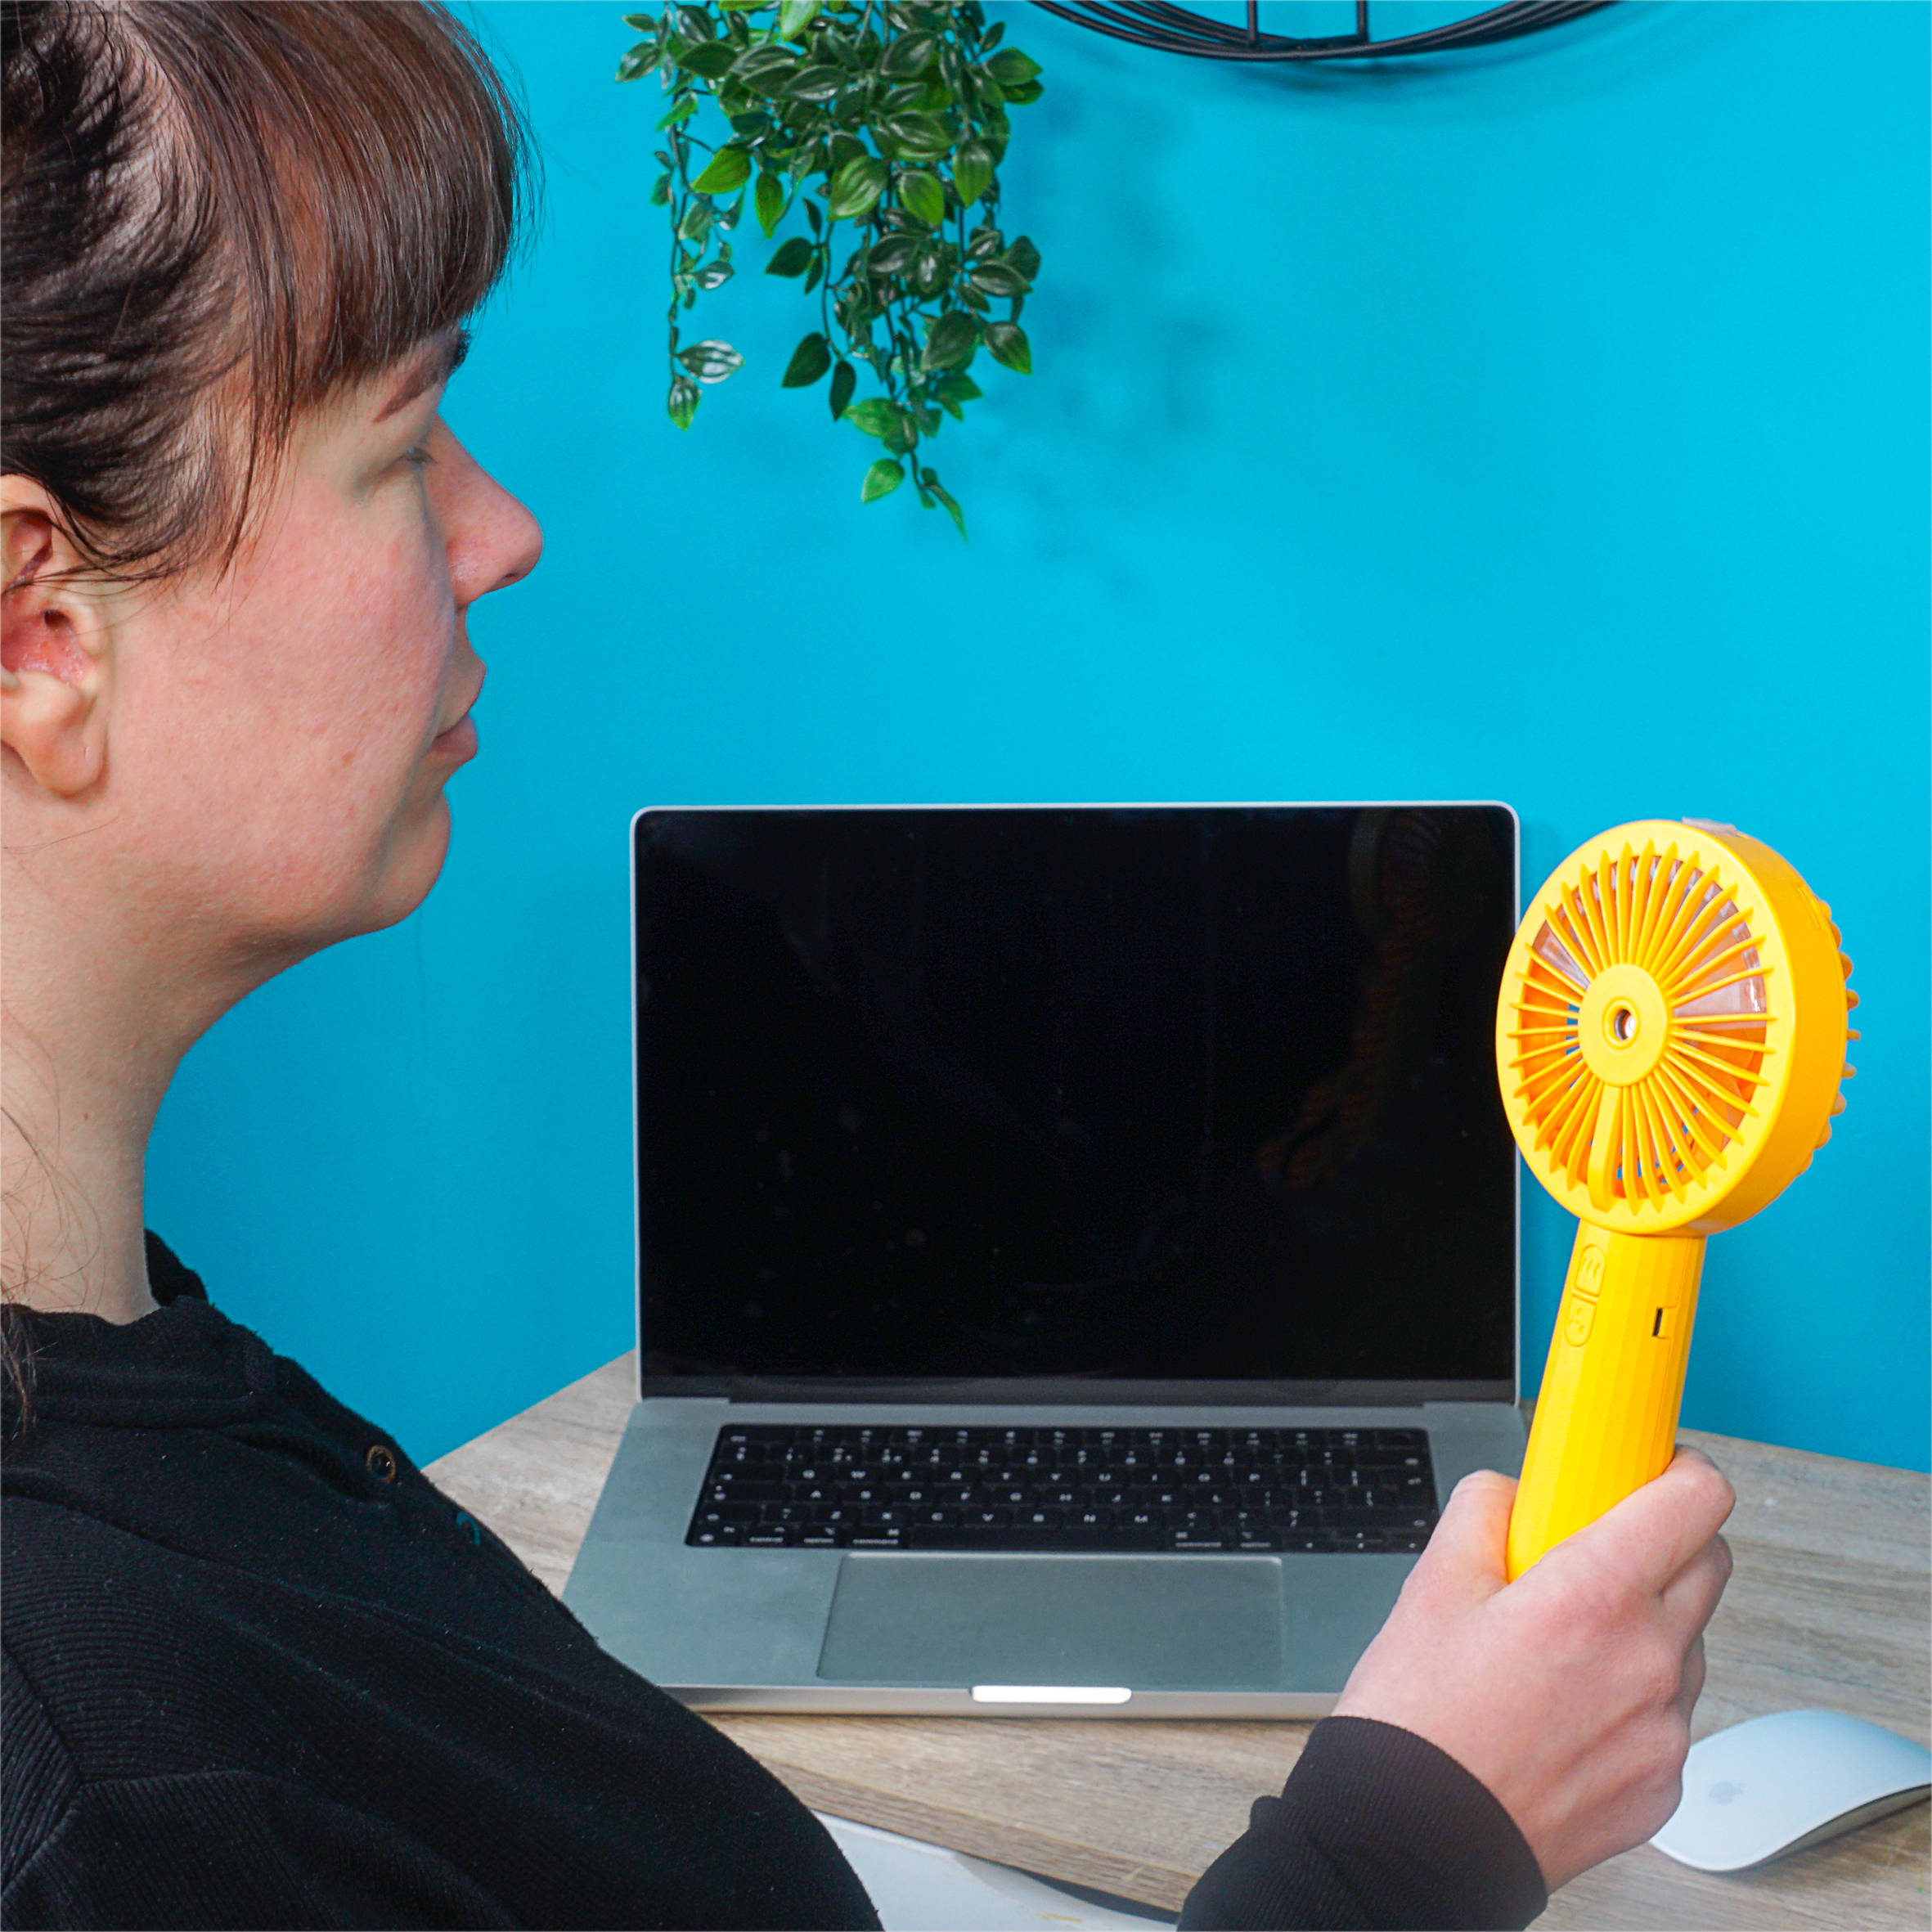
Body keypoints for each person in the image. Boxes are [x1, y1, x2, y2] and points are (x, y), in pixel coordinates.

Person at [0, 4, 1736, 1927]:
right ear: (38, 626)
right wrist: (1408, 1837)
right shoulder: (98, 1784)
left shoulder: (154, 1401)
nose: (502, 532)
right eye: (404, 444)